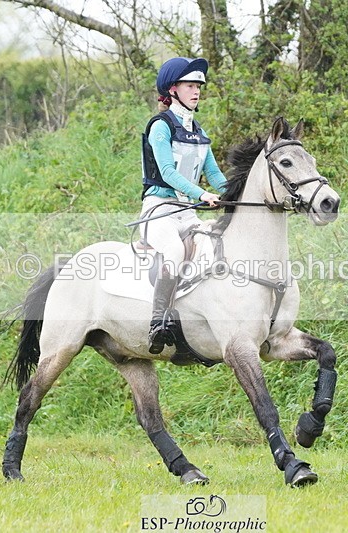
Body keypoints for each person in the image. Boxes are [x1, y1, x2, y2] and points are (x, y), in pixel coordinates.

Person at [140, 57, 228, 354]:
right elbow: (167, 172)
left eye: (199, 86)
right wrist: (202, 195)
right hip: (159, 209)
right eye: (190, 85)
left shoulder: (198, 131)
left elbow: (214, 173)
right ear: (173, 89)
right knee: (175, 251)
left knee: (214, 246)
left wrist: (235, 195)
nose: (197, 91)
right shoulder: (160, 126)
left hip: (186, 212)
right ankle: (157, 322)